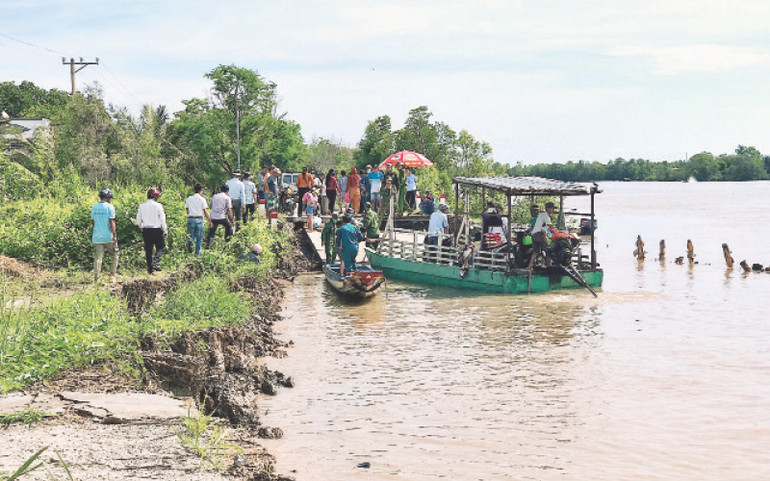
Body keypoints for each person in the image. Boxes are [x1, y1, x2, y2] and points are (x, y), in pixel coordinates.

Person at [136, 188, 167, 274]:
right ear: (156, 197)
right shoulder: (158, 206)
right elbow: (162, 219)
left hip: (146, 230)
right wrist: (165, 230)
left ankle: (150, 269)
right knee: (161, 247)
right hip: (156, 229)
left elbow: (138, 219)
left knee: (148, 250)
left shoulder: (142, 206)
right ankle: (155, 262)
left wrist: (141, 226)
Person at [91, 188, 118, 283]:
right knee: (115, 254)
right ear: (108, 197)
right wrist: (114, 236)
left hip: (97, 236)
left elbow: (93, 223)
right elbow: (112, 223)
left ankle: (96, 279)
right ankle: (112, 276)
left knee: (98, 258)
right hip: (108, 236)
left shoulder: (94, 207)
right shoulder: (110, 207)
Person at [185, 183, 211, 255]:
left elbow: (187, 209)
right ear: (201, 191)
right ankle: (197, 253)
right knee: (199, 237)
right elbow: (205, 211)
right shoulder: (202, 199)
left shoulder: (189, 198)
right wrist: (210, 220)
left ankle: (191, 241)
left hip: (191, 219)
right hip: (199, 219)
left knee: (191, 235)